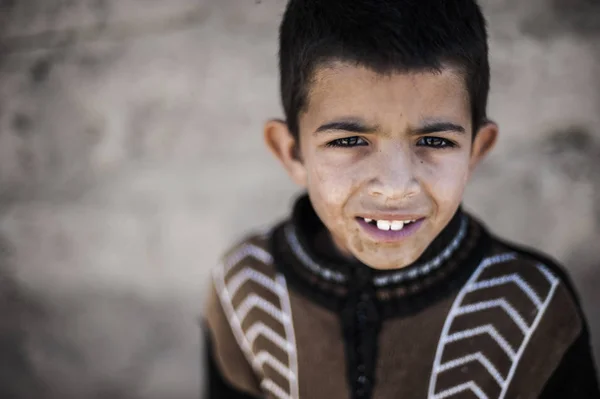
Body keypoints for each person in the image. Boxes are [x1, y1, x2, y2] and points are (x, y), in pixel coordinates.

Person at [202, 0, 600, 398]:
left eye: (434, 141)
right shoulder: (247, 289)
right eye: (349, 140)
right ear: (292, 152)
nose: (395, 187)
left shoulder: (530, 306)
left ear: (475, 152)